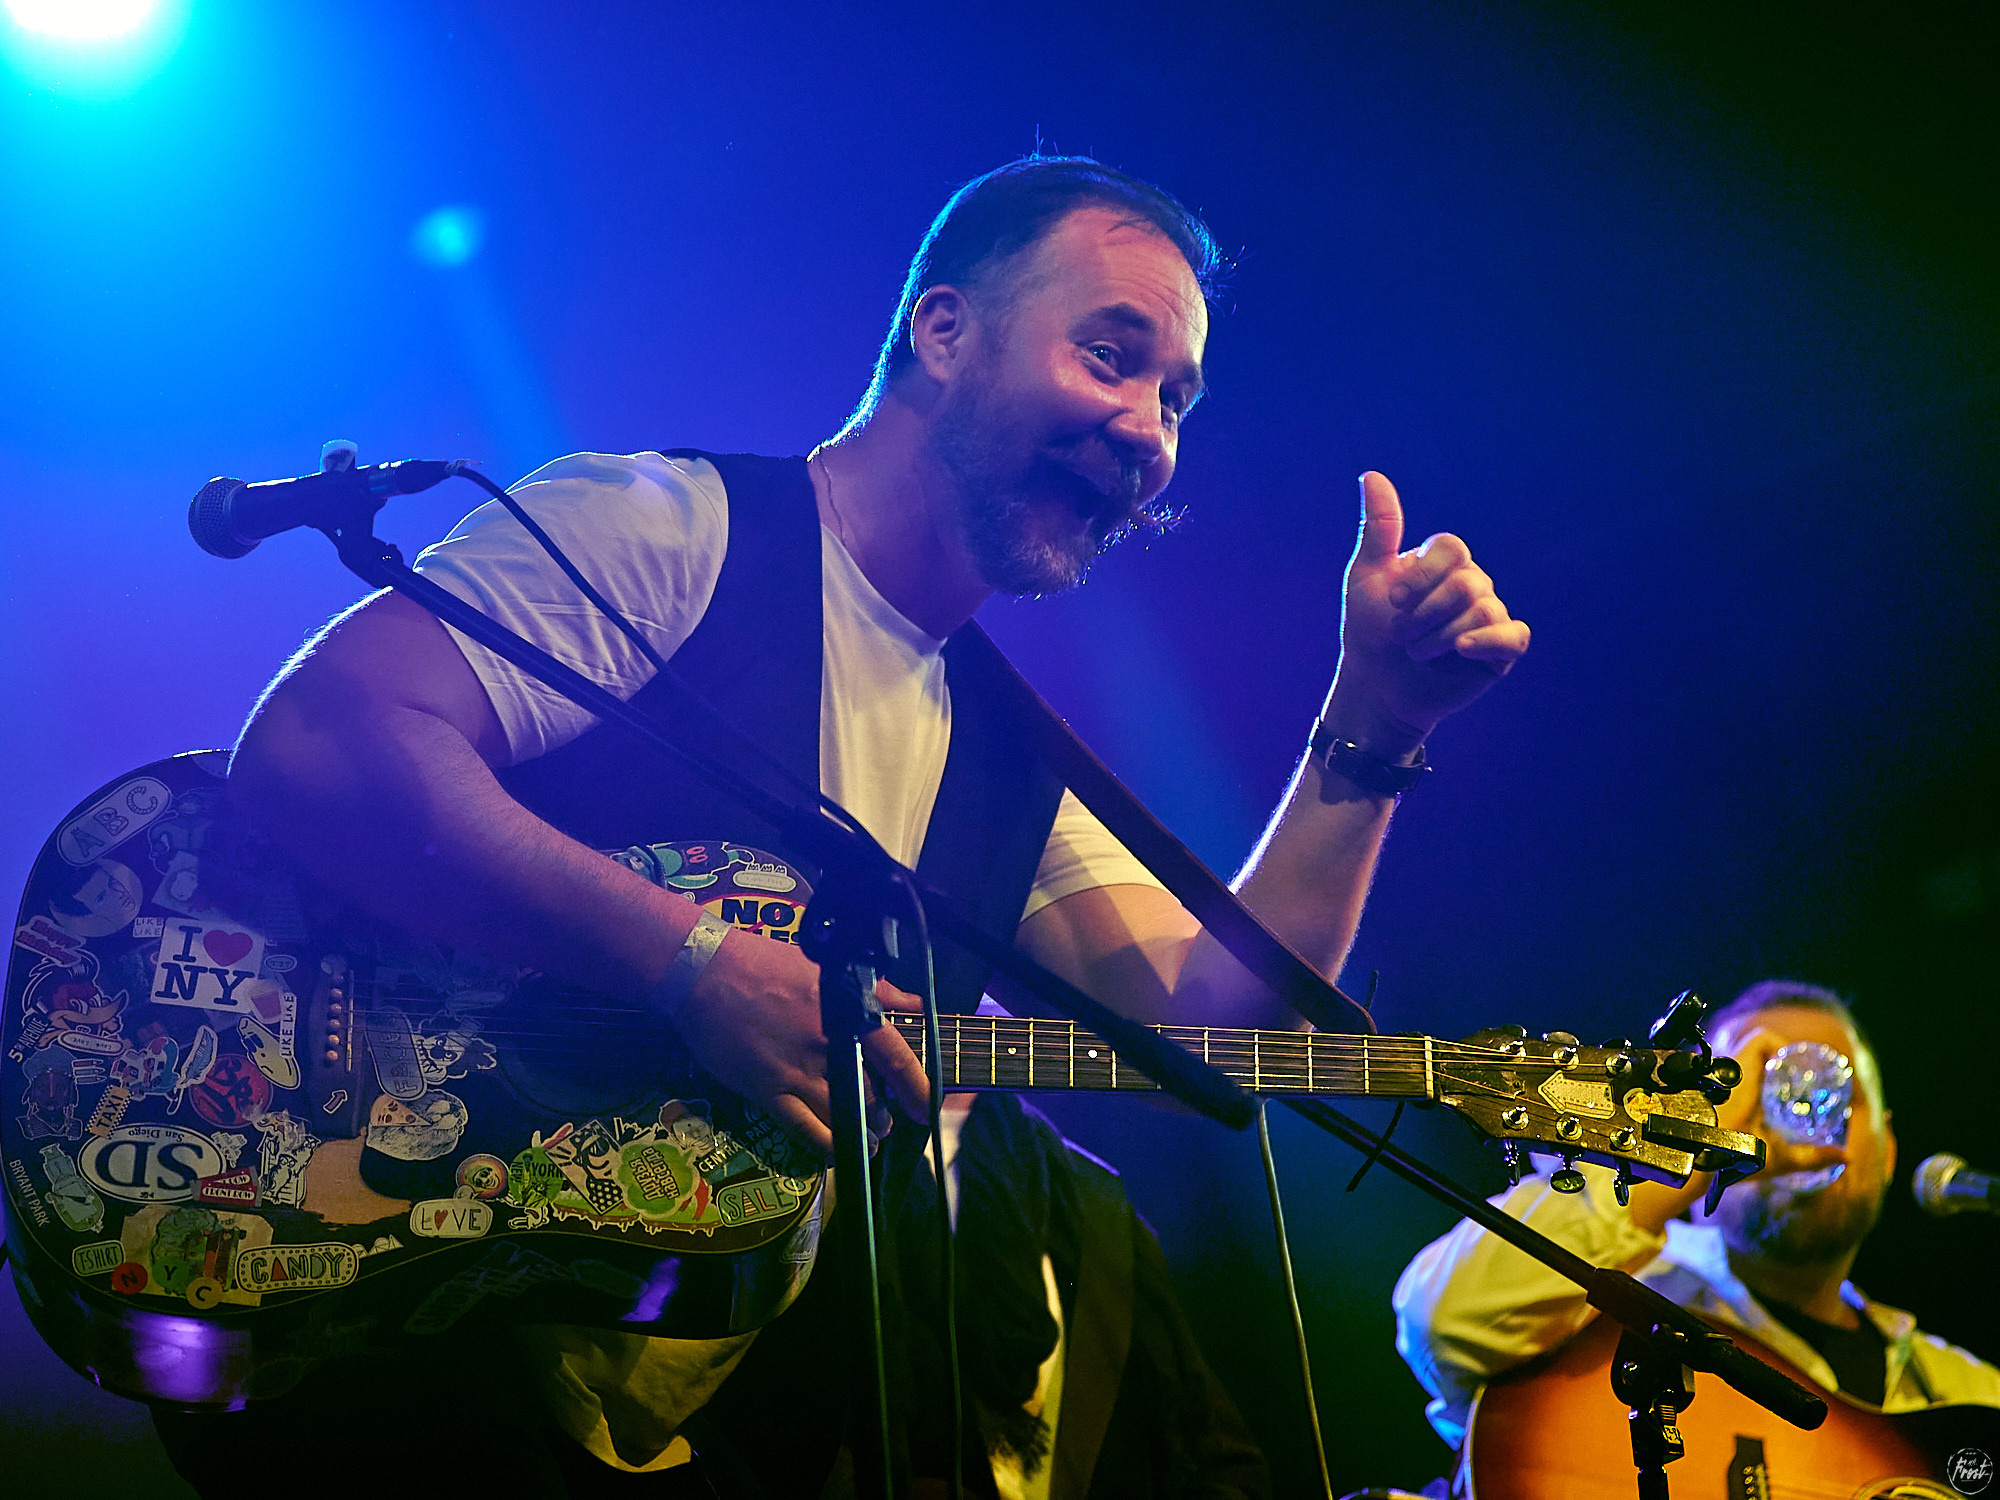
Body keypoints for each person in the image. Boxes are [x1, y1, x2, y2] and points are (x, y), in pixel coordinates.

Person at [158, 156, 1528, 1497]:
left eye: (1177, 399)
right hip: (390, 1347)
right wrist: (680, 962)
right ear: (943, 330)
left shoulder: (1003, 752)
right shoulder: (665, 530)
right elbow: (324, 740)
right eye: (1113, 359)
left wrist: (1378, 724)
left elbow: (1217, 1028)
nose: (1151, 432)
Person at [1394, 979, 2000, 1468]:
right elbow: (1444, 1322)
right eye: (1754, 1090)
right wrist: (1688, 1146)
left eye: (1839, 1097)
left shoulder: (1967, 1396)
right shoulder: (1607, 1291)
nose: (1803, 1121)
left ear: (1889, 1148)